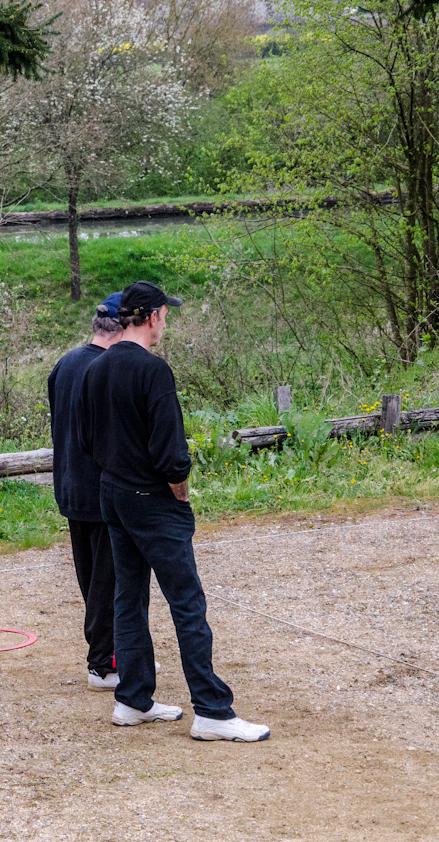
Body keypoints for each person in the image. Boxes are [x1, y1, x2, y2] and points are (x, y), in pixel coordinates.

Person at [79, 280, 270, 742]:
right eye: (165, 316)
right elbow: (171, 454)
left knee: (129, 597)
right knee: (187, 603)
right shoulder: (153, 371)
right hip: (152, 500)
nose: (166, 324)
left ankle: (132, 699)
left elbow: (85, 440)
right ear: (150, 316)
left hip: (112, 493)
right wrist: (180, 492)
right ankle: (212, 710)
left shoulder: (95, 368)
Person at [48, 292, 126, 690]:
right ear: (122, 327)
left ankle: (116, 652)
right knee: (107, 581)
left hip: (69, 485)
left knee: (92, 577)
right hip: (99, 488)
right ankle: (104, 663)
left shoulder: (65, 363)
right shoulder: (107, 369)